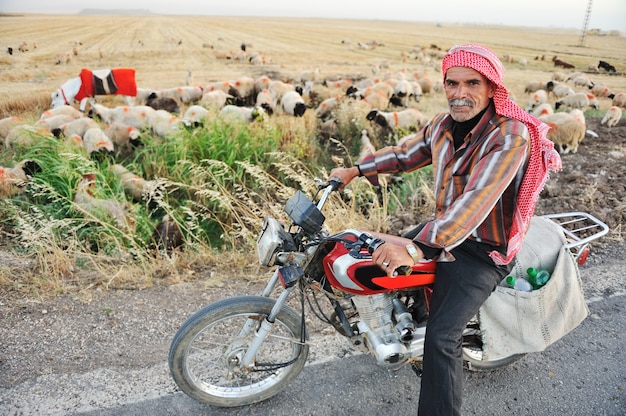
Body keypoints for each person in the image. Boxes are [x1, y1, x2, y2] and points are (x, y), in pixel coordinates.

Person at [329, 44, 561, 416]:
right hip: (446, 229)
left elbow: (475, 204)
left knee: (442, 337)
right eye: (452, 83)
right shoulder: (441, 125)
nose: (460, 92)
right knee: (381, 251)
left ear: (491, 88)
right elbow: (405, 154)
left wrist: (416, 248)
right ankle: (406, 324)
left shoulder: (509, 135)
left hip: (482, 246)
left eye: (472, 83)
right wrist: (356, 170)